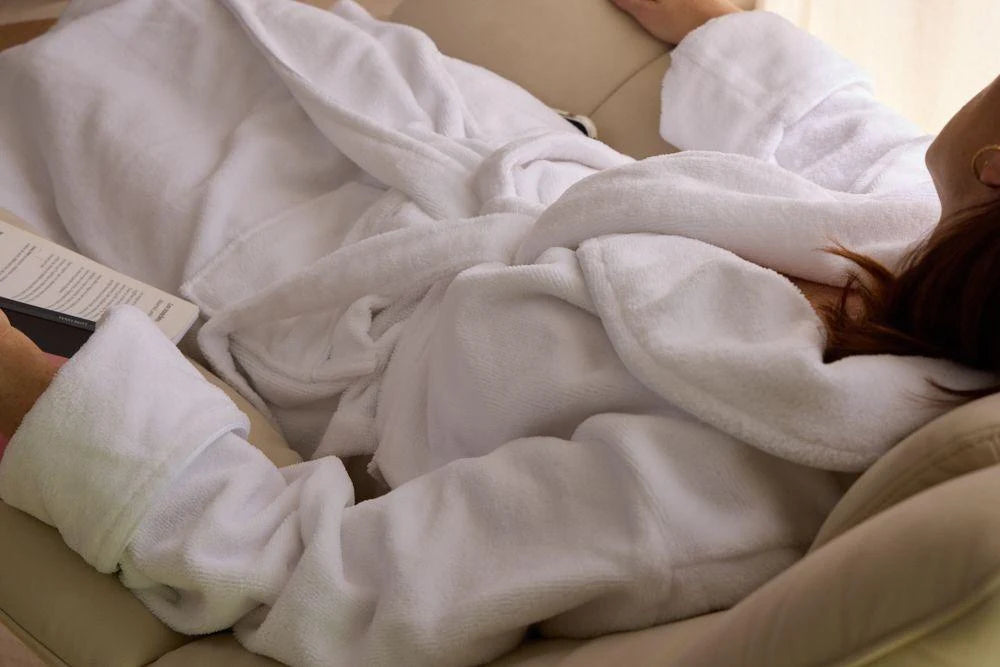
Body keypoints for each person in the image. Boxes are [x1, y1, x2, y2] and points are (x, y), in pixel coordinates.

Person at [0, 0, 997, 665]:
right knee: (177, 24)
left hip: (301, 271)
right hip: (457, 150)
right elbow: (847, 131)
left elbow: (331, 582)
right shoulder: (945, 257)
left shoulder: (713, 496)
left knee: (61, 100)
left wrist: (56, 408)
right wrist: (716, 22)